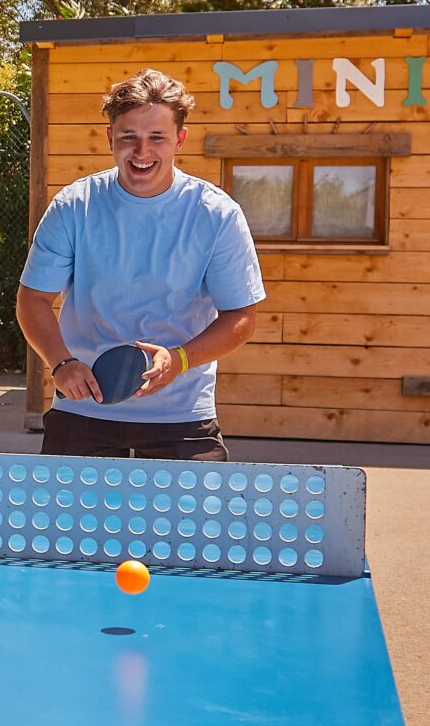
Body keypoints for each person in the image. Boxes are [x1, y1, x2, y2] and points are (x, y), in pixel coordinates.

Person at [15, 69, 265, 461]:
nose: (142, 151)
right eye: (129, 136)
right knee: (62, 507)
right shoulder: (74, 206)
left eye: (157, 137)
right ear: (110, 138)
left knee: (199, 506)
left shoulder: (216, 214)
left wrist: (179, 360)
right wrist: (61, 363)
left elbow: (242, 317)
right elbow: (32, 300)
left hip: (181, 416)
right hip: (83, 410)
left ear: (179, 139)